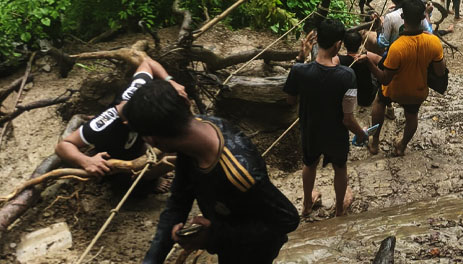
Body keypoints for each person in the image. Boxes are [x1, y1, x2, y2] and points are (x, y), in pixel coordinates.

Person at [123, 80, 299, 264]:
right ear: (185, 102)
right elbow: (179, 199)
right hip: (229, 227)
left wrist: (214, 236)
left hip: (255, 249)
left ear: (152, 140)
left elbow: (287, 219)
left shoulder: (239, 173)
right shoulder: (196, 129)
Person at [55, 58, 185, 191]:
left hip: (139, 144)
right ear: (127, 122)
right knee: (129, 186)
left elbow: (147, 63)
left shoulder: (137, 91)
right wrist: (86, 161)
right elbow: (63, 146)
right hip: (118, 159)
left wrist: (170, 81)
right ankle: (149, 181)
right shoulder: (103, 123)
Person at [283, 19, 369, 217]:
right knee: (340, 167)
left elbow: (290, 100)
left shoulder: (299, 70)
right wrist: (361, 134)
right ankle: (339, 209)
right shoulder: (347, 76)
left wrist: (300, 57)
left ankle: (306, 205)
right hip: (336, 134)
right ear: (338, 44)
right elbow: (348, 118)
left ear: (317, 41)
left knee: (309, 164)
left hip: (310, 129)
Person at [366, 0, 446, 156]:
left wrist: (369, 63)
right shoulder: (434, 42)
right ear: (423, 17)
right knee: (412, 116)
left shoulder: (397, 47)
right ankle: (402, 146)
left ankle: (374, 143)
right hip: (417, 91)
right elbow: (440, 72)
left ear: (403, 17)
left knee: (380, 101)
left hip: (394, 90)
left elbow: (385, 79)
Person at [338, 31, 381, 108]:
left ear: (344, 45)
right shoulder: (366, 56)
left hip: (348, 98)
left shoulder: (339, 60)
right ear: (361, 44)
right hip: (365, 99)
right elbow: (382, 61)